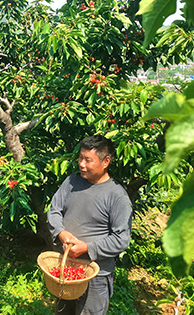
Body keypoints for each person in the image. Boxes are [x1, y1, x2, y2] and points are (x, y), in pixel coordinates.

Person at [48, 135, 133, 315]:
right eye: (80, 158)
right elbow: (54, 210)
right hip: (67, 269)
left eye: (88, 160)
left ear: (106, 161)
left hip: (95, 276)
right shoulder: (71, 182)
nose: (81, 164)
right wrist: (62, 233)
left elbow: (121, 239)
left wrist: (86, 248)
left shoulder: (117, 196)